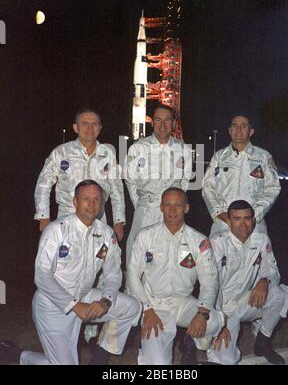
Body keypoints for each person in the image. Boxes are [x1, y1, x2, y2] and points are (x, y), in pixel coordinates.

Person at [20, 180, 141, 365]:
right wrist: (75, 307)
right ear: (75, 201)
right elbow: (42, 276)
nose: (92, 205)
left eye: (96, 199)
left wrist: (106, 300)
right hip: (53, 305)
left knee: (132, 307)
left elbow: (113, 273)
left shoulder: (107, 233)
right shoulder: (57, 230)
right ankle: (21, 356)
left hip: (84, 297)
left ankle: (100, 356)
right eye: (86, 199)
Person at [127, 188, 225, 365]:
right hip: (154, 306)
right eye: (168, 205)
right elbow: (133, 274)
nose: (172, 210)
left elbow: (210, 279)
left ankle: (191, 340)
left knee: (214, 321)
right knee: (158, 365)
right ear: (161, 207)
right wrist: (147, 309)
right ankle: (147, 351)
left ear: (186, 208)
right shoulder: (145, 236)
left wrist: (202, 312)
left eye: (178, 205)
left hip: (182, 303)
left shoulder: (199, 241)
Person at [208, 200, 288, 365]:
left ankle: (263, 343)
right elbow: (211, 285)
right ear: (228, 221)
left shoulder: (261, 239)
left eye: (247, 218)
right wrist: (219, 323)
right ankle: (205, 341)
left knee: (279, 294)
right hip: (221, 309)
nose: (243, 224)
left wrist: (264, 281)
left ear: (253, 220)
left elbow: (272, 269)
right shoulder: (217, 242)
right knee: (227, 359)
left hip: (245, 302)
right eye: (237, 219)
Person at [34, 108, 125, 241]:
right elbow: (43, 184)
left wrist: (119, 221)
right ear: (76, 128)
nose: (90, 128)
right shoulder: (61, 152)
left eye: (94, 124)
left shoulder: (108, 154)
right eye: (84, 123)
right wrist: (43, 216)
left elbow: (117, 189)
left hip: (98, 219)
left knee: (98, 259)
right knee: (65, 259)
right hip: (67, 217)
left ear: (100, 128)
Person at [124, 105, 192, 265]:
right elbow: (130, 181)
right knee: (137, 254)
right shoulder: (138, 148)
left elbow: (185, 182)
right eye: (158, 120)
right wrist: (141, 204)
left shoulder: (183, 150)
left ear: (174, 123)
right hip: (145, 210)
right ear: (152, 123)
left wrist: (175, 205)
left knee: (170, 255)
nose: (162, 125)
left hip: (172, 211)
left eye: (167, 120)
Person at [202, 114, 281, 236]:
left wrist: (254, 215)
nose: (238, 130)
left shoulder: (263, 157)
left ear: (251, 131)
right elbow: (207, 187)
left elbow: (273, 188)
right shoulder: (219, 157)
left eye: (243, 126)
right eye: (235, 126)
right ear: (229, 130)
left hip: (254, 225)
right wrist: (219, 213)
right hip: (224, 223)